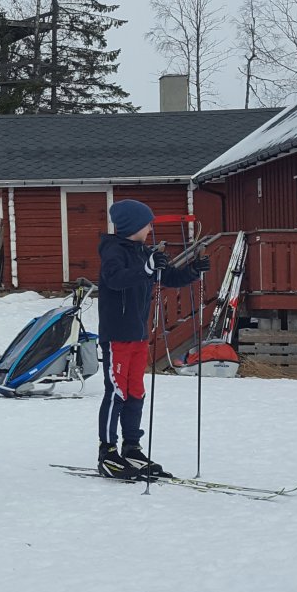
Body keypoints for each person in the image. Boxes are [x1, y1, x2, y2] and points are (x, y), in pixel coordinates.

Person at [95, 199, 210, 479]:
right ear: (133, 226)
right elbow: (115, 279)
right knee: (117, 392)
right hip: (117, 336)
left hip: (138, 335)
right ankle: (107, 453)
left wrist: (193, 270)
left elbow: (168, 277)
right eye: (147, 224)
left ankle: (131, 448)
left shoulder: (144, 252)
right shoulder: (113, 251)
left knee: (135, 391)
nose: (150, 228)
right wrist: (146, 269)